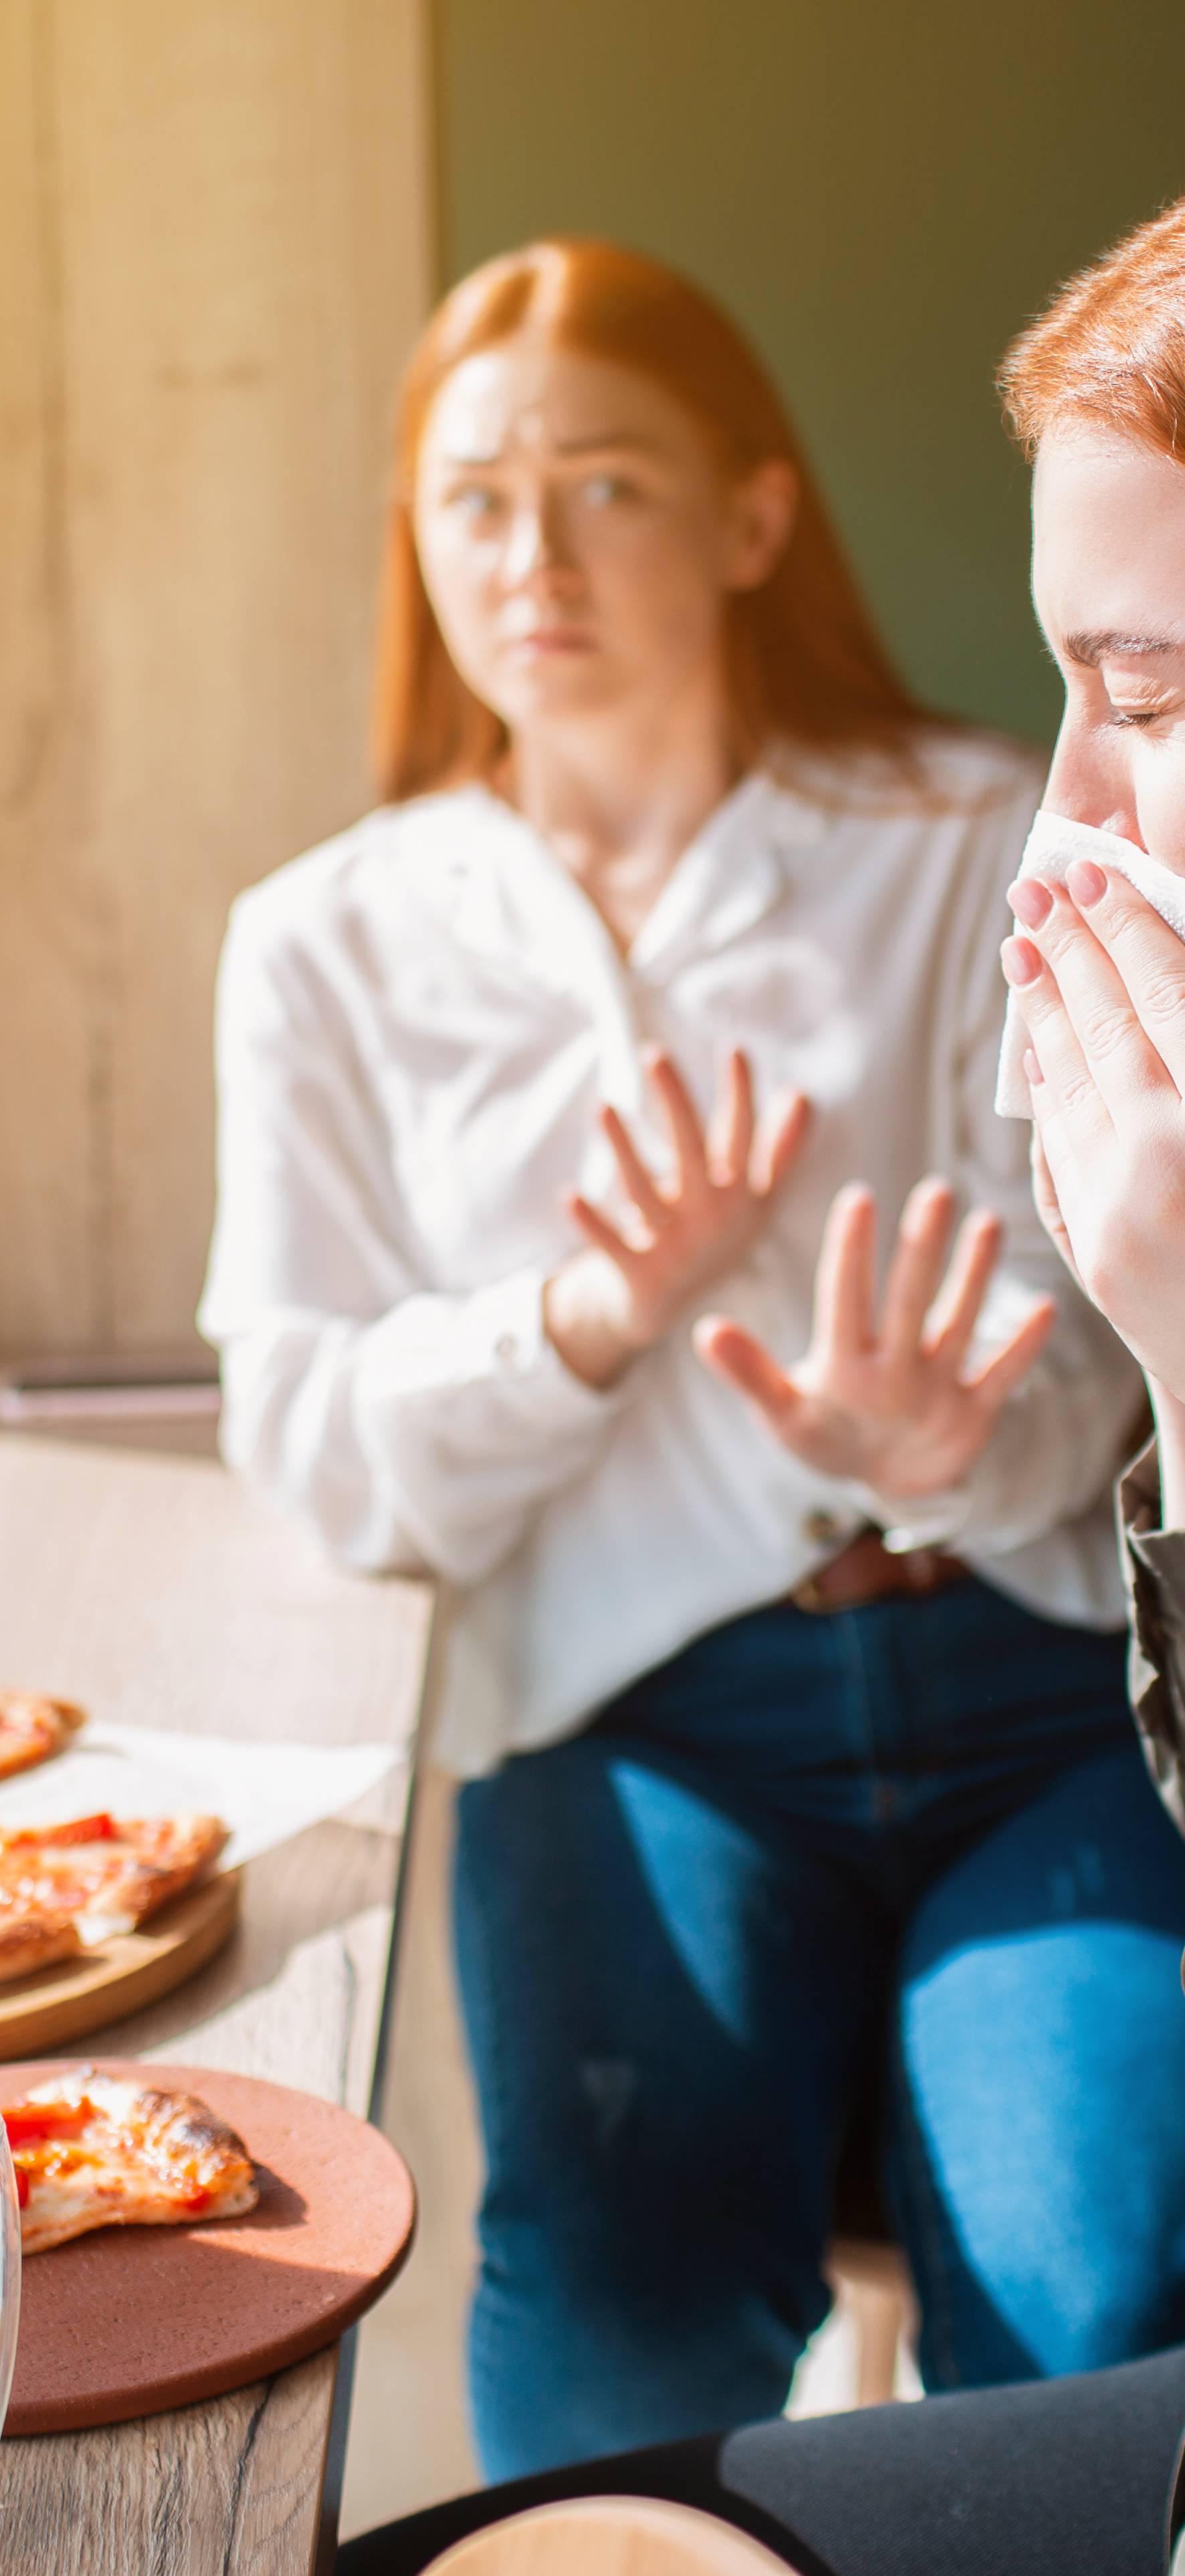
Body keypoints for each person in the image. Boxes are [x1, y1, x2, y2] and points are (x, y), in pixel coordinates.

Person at [199, 239, 1178, 2480]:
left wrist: (946, 1447)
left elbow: (1107, 1374)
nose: (528, 553)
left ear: (750, 516)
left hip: (1046, 1695)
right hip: (642, 1728)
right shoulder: (321, 950)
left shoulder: (975, 849)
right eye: (471, 499)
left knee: (1095, 2306)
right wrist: (582, 1325)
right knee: (611, 2337)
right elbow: (321, 1451)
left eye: (601, 484)